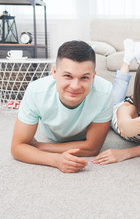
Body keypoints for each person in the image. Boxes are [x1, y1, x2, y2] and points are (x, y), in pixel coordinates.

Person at [11, 40, 113, 173]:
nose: (75, 86)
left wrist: (39, 146)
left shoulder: (105, 91)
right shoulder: (36, 91)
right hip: (52, 135)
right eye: (68, 76)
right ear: (54, 72)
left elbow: (92, 148)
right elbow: (17, 147)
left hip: (82, 134)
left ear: (93, 77)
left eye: (84, 78)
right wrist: (55, 160)